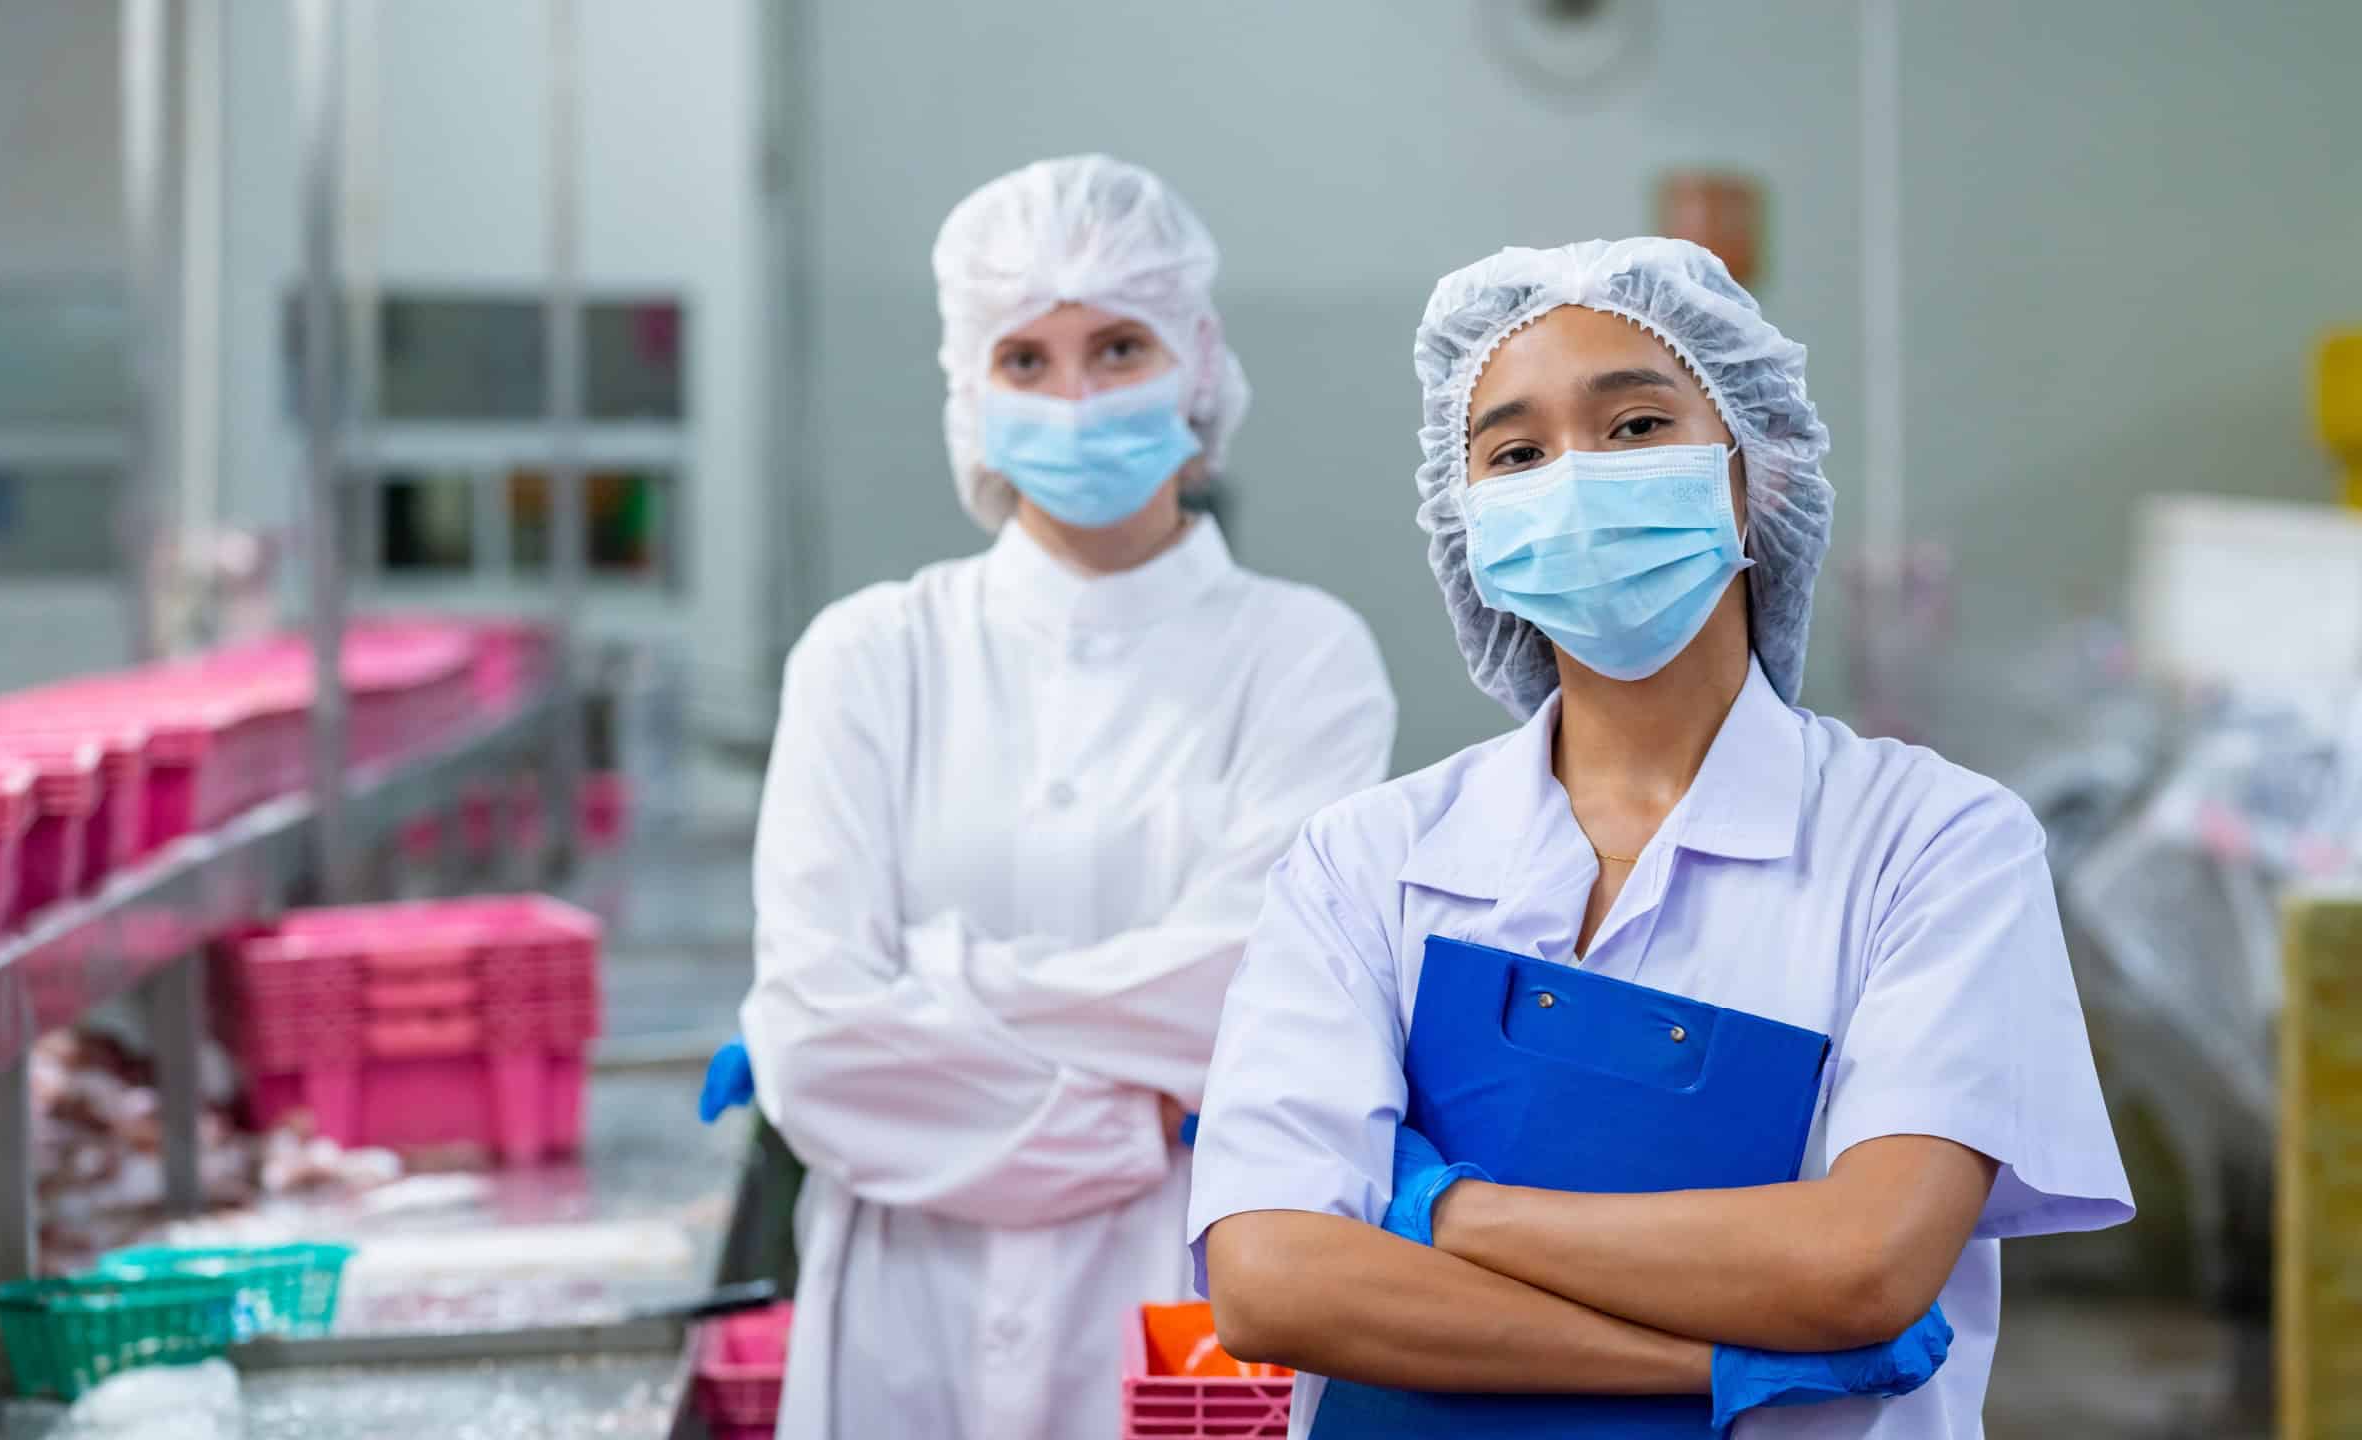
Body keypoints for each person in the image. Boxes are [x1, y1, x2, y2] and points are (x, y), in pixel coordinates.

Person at [1187, 237, 2133, 1436]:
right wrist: (1719, 1366)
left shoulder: (1933, 843)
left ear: (1757, 474)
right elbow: (1274, 1283)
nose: (1574, 481)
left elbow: (1861, 1265)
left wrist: (1437, 1209)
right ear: (1468, 520)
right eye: (1517, 453)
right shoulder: (1363, 862)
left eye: (1634, 428)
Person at [737, 155, 1397, 1440]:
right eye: (1025, 360)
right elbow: (812, 1050)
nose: (1076, 397)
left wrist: (933, 988)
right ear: (968, 392)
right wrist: (1142, 1108)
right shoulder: (868, 654)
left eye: (1117, 346)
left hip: (1181, 1315)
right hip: (898, 1325)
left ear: (1197, 365)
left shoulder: (1304, 658)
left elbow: (1245, 1003)